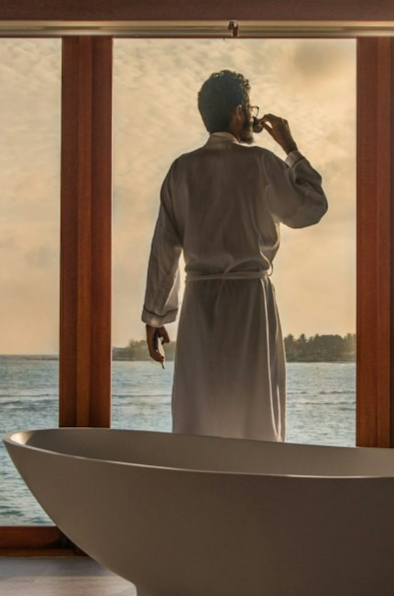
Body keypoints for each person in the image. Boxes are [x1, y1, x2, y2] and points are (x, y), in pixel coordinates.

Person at [141, 70, 328, 442]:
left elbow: (164, 248)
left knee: (199, 418)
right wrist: (290, 147)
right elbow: (311, 207)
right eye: (250, 109)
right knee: (255, 414)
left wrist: (155, 316)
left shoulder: (182, 170)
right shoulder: (260, 163)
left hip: (200, 306)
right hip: (250, 305)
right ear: (239, 112)